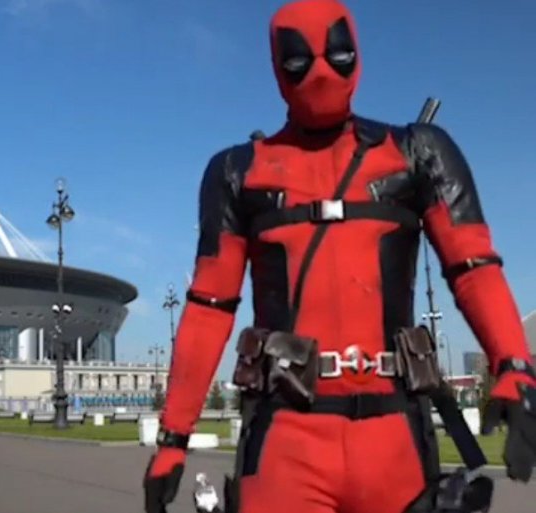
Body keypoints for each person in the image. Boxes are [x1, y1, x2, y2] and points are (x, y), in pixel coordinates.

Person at [142, 1, 536, 512]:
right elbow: (209, 306)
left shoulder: (418, 152)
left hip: (392, 435)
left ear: (357, 53)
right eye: (298, 60)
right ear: (277, 66)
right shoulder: (238, 172)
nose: (322, 72)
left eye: (338, 53)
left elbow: (473, 266)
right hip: (287, 440)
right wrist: (174, 436)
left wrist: (515, 366)